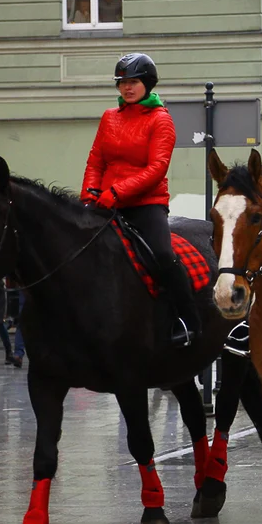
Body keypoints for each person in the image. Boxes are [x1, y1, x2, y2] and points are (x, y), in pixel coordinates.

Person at [81, 53, 200, 347]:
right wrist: (90, 194)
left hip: (146, 204)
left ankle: (187, 320)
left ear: (147, 83)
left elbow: (156, 169)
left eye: (133, 82)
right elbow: (96, 161)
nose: (127, 88)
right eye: (122, 83)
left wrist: (117, 192)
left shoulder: (161, 120)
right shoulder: (109, 117)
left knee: (162, 254)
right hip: (106, 202)